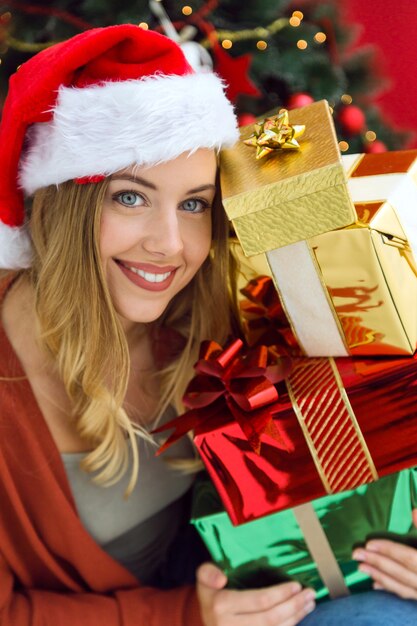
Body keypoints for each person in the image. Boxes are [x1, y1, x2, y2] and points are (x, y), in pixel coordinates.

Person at [1, 22, 416, 626]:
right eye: (130, 196)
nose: (171, 246)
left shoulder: (211, 310)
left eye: (194, 203)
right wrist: (186, 614)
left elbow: (374, 390)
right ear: (61, 205)